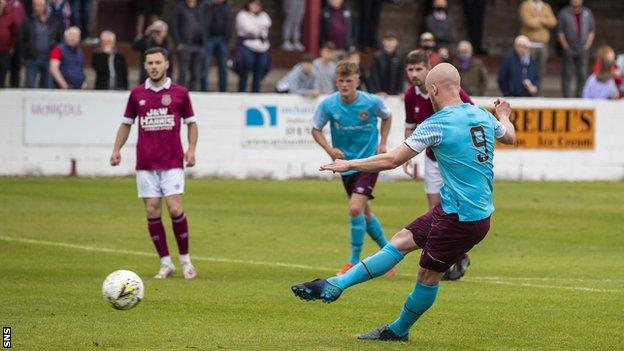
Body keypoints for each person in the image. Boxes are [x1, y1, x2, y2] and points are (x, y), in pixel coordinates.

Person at [291, 63, 517, 341]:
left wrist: (348, 163)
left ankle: (398, 331)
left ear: (433, 89)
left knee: (427, 276)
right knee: (400, 240)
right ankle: (335, 284)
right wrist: (504, 114)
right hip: (452, 209)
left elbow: (392, 160)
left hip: (463, 219)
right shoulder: (482, 114)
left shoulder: (436, 123)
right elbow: (510, 136)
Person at [110, 47, 199, 280]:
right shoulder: (137, 94)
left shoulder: (180, 93)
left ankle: (186, 261)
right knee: (152, 210)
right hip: (146, 162)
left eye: (158, 62)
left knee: (175, 208)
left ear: (167, 64)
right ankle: (165, 263)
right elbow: (126, 123)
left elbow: (192, 123)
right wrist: (116, 149)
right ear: (145, 66)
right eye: (149, 63)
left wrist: (191, 149)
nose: (154, 66)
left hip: (172, 161)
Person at [310, 60, 394, 276]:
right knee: (364, 213)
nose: (345, 85)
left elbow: (387, 116)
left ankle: (353, 261)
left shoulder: (371, 102)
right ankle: (388, 256)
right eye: (341, 81)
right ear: (335, 81)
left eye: (349, 80)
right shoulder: (328, 105)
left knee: (355, 208)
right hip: (345, 166)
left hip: (368, 163)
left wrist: (383, 143)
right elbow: (316, 129)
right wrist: (330, 150)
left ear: (357, 81)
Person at [402, 50, 474, 281]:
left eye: (418, 69)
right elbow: (410, 125)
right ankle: (448, 256)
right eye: (410, 69)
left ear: (428, 68)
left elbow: (471, 117)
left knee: (455, 210)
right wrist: (408, 156)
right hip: (432, 159)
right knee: (435, 211)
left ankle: (456, 255)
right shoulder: (410, 95)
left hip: (454, 160)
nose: (414, 74)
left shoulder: (451, 91)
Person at [20, 0, 63, 88]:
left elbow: (59, 38)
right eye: (35, 5)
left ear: (45, 6)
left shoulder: (53, 21)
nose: (37, 8)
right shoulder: (28, 21)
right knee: (30, 85)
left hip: (48, 59)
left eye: (40, 5)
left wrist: (54, 54)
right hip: (32, 58)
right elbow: (21, 39)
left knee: (47, 86)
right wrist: (27, 52)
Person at [557, 0, 595, 98]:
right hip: (569, 47)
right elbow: (560, 31)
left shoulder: (587, 12)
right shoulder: (564, 13)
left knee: (582, 73)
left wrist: (588, 45)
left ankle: (580, 95)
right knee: (567, 73)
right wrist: (565, 46)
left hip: (583, 48)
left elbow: (592, 30)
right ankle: (566, 96)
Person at [234, 0, 271, 93]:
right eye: (253, 4)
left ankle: (256, 94)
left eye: (258, 4)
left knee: (259, 73)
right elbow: (249, 29)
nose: (256, 6)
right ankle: (241, 93)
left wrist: (256, 27)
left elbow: (268, 24)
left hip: (262, 48)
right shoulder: (242, 15)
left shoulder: (264, 15)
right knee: (244, 72)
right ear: (248, 4)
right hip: (247, 46)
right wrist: (259, 27)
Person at [519, 0, 557, 78]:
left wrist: (538, 19)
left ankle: (537, 88)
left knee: (541, 69)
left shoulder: (545, 6)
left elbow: (553, 22)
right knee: (527, 68)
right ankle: (527, 87)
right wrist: (544, 20)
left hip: (543, 44)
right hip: (529, 44)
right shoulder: (526, 5)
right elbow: (528, 22)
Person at [171, 0, 204, 91]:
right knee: (183, 70)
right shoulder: (179, 7)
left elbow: (206, 23)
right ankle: (181, 92)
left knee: (195, 72)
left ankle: (193, 93)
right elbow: (174, 25)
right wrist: (178, 42)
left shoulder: (201, 7)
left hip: (198, 44)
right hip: (185, 44)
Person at [199, 0, 230, 92]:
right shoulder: (205, 6)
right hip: (208, 39)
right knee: (205, 65)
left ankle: (223, 90)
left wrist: (227, 37)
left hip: (222, 39)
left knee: (223, 67)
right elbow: (202, 22)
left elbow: (228, 24)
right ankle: (203, 90)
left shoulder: (226, 7)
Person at [132, 20, 173, 85]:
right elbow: (134, 47)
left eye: (159, 31)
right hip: (146, 77)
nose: (156, 33)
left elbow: (166, 53)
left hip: (163, 78)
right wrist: (145, 34)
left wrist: (160, 42)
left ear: (165, 32)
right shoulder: (146, 40)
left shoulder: (168, 41)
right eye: (155, 31)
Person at [368, 31, 404, 96]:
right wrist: (378, 91)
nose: (390, 43)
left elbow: (401, 75)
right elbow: (374, 76)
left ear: (397, 42)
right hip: (380, 92)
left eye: (392, 40)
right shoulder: (377, 56)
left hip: (394, 92)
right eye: (387, 40)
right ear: (383, 42)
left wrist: (400, 91)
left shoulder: (399, 56)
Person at [0, 0, 19, 88]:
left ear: (4, 4)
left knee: (3, 73)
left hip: (5, 51)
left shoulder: (10, 16)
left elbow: (15, 33)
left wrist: (12, 47)